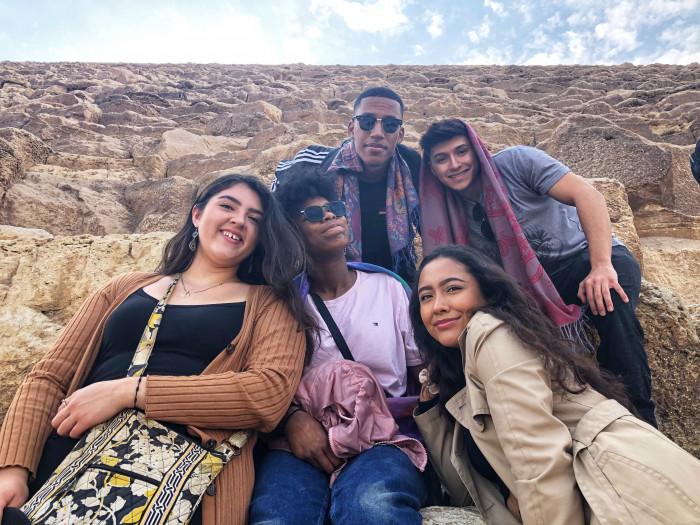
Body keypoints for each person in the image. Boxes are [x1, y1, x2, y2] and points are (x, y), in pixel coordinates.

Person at [0, 174, 314, 525]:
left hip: (181, 488)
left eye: (255, 219)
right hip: (61, 468)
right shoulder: (126, 287)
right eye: (227, 206)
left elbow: (267, 393)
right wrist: (12, 469)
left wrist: (130, 392)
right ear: (197, 215)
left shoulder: (271, 305)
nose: (239, 220)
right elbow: (48, 377)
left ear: (259, 239)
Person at [411, 244, 700, 524]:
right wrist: (430, 409)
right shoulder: (460, 373)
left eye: (453, 289)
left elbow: (538, 455)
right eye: (426, 297)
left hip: (627, 497)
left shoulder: (489, 332)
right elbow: (465, 489)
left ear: (487, 292)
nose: (438, 306)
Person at [418, 118, 656, 426]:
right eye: (442, 159)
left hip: (579, 259)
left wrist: (600, 266)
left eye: (461, 152)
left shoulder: (518, 161)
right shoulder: (447, 210)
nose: (454, 164)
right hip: (525, 288)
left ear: (478, 151)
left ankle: (638, 417)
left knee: (608, 296)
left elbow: (588, 196)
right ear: (433, 168)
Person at [249, 172, 427, 524]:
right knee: (278, 516)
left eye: (334, 208)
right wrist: (292, 421)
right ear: (292, 232)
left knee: (372, 508)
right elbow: (265, 379)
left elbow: (419, 376)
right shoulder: (284, 304)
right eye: (312, 215)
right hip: (302, 441)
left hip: (383, 437)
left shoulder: (388, 288)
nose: (329, 216)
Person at [271, 87, 421, 282]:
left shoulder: (412, 166)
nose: (377, 133)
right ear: (351, 128)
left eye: (390, 125)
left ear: (400, 135)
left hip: (396, 278)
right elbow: (271, 211)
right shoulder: (314, 163)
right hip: (329, 282)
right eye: (367, 122)